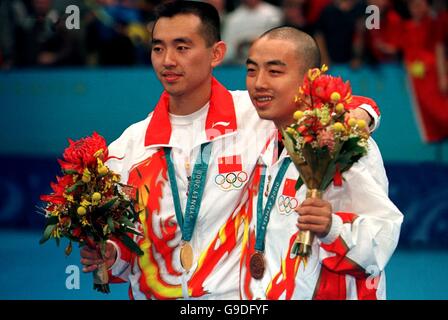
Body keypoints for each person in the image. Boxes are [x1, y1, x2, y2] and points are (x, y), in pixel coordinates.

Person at [79, 1, 381, 300]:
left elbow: (331, 106)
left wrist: (364, 114)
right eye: (158, 48)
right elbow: (128, 248)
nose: (167, 60)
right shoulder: (129, 148)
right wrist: (112, 254)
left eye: (182, 47)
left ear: (217, 53)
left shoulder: (256, 116)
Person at [240, 27, 403, 300]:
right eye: (252, 70)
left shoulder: (346, 144)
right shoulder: (257, 131)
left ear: (310, 79)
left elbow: (382, 236)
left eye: (275, 72)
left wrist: (332, 228)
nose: (259, 83)